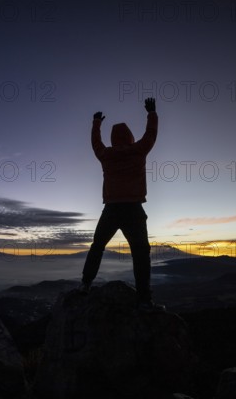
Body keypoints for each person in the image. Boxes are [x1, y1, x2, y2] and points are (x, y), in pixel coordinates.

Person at [80, 97, 165, 312]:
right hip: (134, 209)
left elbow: (95, 143)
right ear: (130, 137)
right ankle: (144, 299)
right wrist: (151, 112)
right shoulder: (139, 150)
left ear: (113, 139)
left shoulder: (106, 155)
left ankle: (85, 285)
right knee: (140, 253)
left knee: (97, 246)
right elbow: (151, 134)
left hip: (111, 209)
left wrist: (96, 122)